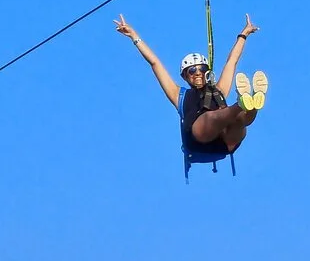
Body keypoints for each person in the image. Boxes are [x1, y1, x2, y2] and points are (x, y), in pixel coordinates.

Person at [113, 13, 269, 155]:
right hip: (200, 138)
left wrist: (244, 34)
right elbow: (155, 63)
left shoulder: (218, 90)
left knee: (240, 120)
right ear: (185, 76)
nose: (198, 72)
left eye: (202, 69)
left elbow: (232, 62)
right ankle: (240, 104)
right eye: (192, 70)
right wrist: (134, 36)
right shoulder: (179, 95)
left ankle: (252, 104)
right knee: (214, 116)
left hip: (228, 141)